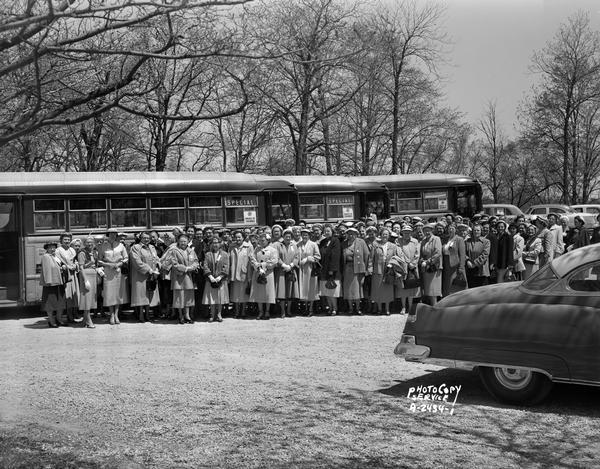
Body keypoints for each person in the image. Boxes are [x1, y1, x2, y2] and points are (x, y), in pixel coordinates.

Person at [164, 234, 199, 324]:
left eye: (185, 241)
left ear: (188, 242)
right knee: (179, 297)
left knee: (188, 297)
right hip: (178, 277)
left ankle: (187, 315)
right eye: (181, 241)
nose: (183, 243)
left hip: (188, 277)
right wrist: (185, 268)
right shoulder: (174, 250)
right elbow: (174, 263)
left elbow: (196, 262)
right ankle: (180, 315)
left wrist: (190, 268)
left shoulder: (191, 251)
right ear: (178, 241)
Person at [98, 228, 128, 325]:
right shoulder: (103, 246)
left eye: (115, 234)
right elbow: (99, 260)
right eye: (111, 234)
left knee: (118, 293)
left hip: (118, 271)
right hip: (108, 271)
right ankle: (111, 315)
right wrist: (108, 265)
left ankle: (116, 315)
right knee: (109, 293)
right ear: (108, 234)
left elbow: (126, 258)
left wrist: (119, 264)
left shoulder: (121, 245)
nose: (113, 235)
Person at [130, 232, 161, 323]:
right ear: (140, 238)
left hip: (151, 275)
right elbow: (137, 261)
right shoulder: (135, 248)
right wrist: (149, 269)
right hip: (140, 275)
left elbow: (156, 258)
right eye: (144, 238)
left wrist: (158, 265)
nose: (146, 239)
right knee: (141, 295)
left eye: (148, 238)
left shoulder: (152, 247)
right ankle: (140, 315)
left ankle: (147, 314)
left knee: (149, 294)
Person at [369, 228, 400, 316]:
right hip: (377, 270)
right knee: (378, 289)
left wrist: (392, 264)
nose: (384, 236)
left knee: (387, 290)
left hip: (388, 270)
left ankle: (387, 309)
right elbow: (371, 258)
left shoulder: (393, 246)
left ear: (389, 235)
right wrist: (370, 268)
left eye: (386, 234)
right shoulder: (375, 244)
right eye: (383, 234)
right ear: (380, 235)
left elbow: (395, 258)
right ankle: (379, 309)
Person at [249, 233, 278, 319]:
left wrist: (264, 265)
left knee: (268, 292)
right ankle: (260, 311)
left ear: (268, 240)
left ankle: (267, 311)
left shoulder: (273, 250)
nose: (261, 242)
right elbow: (252, 258)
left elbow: (274, 261)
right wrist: (257, 265)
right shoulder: (256, 249)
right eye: (260, 240)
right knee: (259, 292)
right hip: (258, 272)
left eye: (263, 240)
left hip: (268, 273)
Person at [342, 227, 370, 315]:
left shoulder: (361, 242)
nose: (351, 235)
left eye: (353, 233)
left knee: (358, 290)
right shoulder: (344, 243)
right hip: (347, 269)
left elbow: (367, 255)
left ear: (356, 234)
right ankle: (350, 308)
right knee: (348, 290)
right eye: (349, 233)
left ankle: (358, 308)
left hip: (358, 269)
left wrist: (366, 269)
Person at [202, 236, 230, 323]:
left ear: (220, 243)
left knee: (220, 298)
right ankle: (212, 314)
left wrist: (220, 276)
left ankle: (219, 314)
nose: (215, 244)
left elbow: (226, 266)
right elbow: (205, 266)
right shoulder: (208, 254)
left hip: (221, 280)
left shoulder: (225, 254)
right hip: (210, 280)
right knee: (212, 298)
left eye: (217, 242)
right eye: (213, 243)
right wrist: (210, 276)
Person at [40, 242, 66, 328]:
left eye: (54, 247)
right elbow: (46, 270)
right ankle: (51, 321)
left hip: (59, 281)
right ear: (46, 248)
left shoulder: (55, 256)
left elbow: (58, 266)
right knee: (50, 303)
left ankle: (59, 319)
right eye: (50, 247)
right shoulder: (46, 256)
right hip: (51, 283)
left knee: (60, 302)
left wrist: (62, 267)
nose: (52, 249)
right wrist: (48, 282)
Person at [395, 224, 420, 315]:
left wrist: (413, 263)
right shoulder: (398, 240)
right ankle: (403, 307)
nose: (407, 234)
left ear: (411, 233)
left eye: (408, 232)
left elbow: (417, 253)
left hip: (412, 267)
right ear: (402, 233)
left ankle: (410, 307)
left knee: (411, 288)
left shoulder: (415, 241)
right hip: (403, 266)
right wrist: (406, 262)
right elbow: (399, 252)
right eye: (405, 232)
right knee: (402, 288)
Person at [55, 232, 80, 323]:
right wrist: (67, 266)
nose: (67, 241)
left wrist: (75, 265)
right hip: (65, 276)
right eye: (65, 239)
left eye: (68, 240)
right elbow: (58, 263)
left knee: (73, 295)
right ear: (61, 240)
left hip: (73, 275)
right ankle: (67, 316)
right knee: (67, 295)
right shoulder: (58, 250)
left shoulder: (72, 250)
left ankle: (72, 314)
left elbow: (75, 260)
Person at [296, 228, 321, 316]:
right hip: (301, 269)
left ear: (309, 236)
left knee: (311, 288)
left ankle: (311, 309)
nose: (304, 236)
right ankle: (305, 307)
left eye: (306, 235)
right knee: (303, 288)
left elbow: (318, 256)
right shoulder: (298, 244)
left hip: (310, 269)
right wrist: (298, 262)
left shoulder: (313, 244)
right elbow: (295, 256)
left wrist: (308, 259)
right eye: (303, 235)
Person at [229, 230, 253, 318]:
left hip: (244, 273)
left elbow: (251, 261)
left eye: (239, 237)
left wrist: (249, 275)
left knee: (243, 294)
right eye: (236, 237)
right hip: (234, 272)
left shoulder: (249, 247)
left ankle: (243, 311)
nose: (238, 239)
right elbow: (229, 260)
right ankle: (236, 311)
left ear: (243, 238)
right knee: (235, 293)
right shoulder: (231, 246)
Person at [274, 228, 299, 318]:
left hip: (291, 270)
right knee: (282, 292)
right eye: (286, 236)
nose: (288, 238)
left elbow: (297, 256)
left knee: (290, 292)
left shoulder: (294, 245)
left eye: (289, 237)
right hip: (282, 271)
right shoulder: (278, 245)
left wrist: (292, 265)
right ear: (283, 237)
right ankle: (283, 311)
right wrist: (284, 265)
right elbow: (276, 257)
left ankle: (288, 310)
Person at [318, 224, 341, 316]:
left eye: (328, 231)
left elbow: (335, 256)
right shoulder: (323, 241)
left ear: (332, 231)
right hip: (324, 270)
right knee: (326, 291)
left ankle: (335, 308)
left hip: (332, 271)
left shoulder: (336, 241)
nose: (326, 233)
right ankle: (330, 307)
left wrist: (332, 270)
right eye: (325, 231)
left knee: (333, 291)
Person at [77, 237, 100, 328]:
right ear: (84, 243)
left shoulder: (94, 252)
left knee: (90, 298)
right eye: (87, 242)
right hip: (86, 275)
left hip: (93, 275)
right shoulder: (82, 253)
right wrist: (85, 280)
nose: (89, 244)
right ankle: (88, 320)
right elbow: (81, 267)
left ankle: (84, 319)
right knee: (86, 298)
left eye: (91, 242)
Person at [419, 223, 442, 306]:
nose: (427, 232)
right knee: (428, 289)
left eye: (428, 231)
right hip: (425, 267)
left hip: (434, 267)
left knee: (434, 290)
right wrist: (422, 260)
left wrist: (428, 261)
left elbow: (438, 253)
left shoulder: (436, 239)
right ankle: (432, 306)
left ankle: (435, 307)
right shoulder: (423, 241)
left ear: (432, 231)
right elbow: (421, 253)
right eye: (425, 231)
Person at [441, 223, 467, 297]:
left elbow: (462, 255)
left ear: (456, 230)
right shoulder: (445, 239)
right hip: (446, 265)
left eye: (452, 228)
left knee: (455, 285)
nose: (450, 230)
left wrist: (461, 267)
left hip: (455, 266)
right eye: (449, 228)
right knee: (447, 284)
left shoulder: (459, 239)